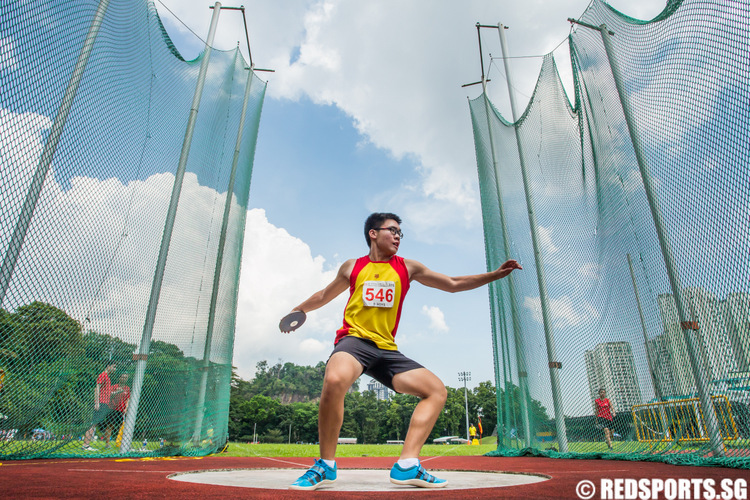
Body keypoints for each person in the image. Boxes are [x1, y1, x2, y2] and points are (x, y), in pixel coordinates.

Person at [283, 212, 522, 490]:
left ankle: (408, 465)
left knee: (436, 390)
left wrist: (494, 275)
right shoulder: (352, 266)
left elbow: (453, 284)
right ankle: (325, 465)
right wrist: (297, 311)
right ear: (373, 233)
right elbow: (324, 295)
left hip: (386, 350)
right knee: (335, 380)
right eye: (392, 230)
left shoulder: (408, 267)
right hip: (355, 342)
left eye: (400, 233)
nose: (397, 236)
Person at [82, 361, 117, 451]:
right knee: (93, 424)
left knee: (96, 424)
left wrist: (118, 392)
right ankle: (85, 445)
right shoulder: (103, 375)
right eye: (113, 367)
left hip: (105, 403)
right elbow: (97, 388)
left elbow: (108, 393)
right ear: (108, 366)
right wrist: (97, 402)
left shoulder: (108, 378)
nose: (114, 369)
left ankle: (87, 444)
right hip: (100, 402)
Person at [107, 373, 131, 449]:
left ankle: (121, 442)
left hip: (122, 410)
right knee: (110, 426)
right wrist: (117, 392)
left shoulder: (127, 388)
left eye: (125, 377)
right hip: (112, 409)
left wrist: (126, 409)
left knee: (122, 427)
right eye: (123, 377)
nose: (124, 378)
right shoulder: (114, 387)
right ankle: (107, 444)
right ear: (119, 378)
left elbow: (128, 399)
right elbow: (109, 396)